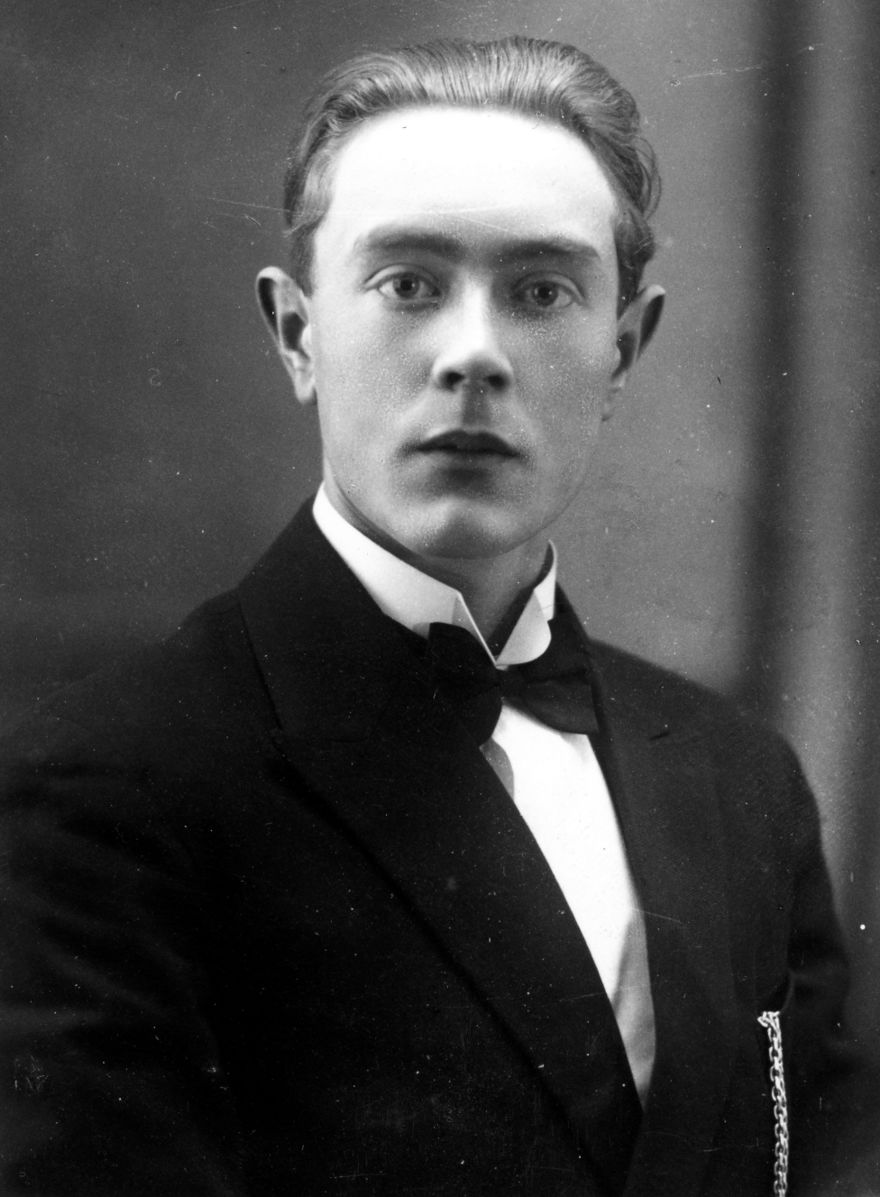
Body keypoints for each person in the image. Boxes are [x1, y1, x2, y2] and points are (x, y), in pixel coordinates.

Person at [0, 35, 871, 1197]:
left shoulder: (739, 777)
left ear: (623, 348)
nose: (474, 355)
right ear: (298, 334)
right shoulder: (107, 786)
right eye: (409, 284)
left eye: (541, 291)